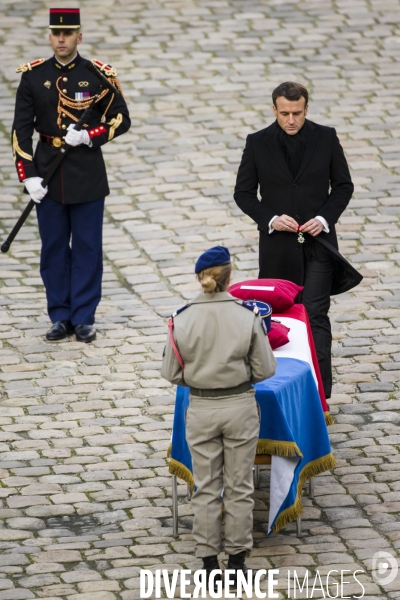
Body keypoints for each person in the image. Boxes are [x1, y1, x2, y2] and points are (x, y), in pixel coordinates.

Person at [234, 82, 361, 400]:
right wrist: (271, 219)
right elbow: (244, 194)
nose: (292, 120)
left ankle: (320, 395)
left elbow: (343, 186)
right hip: (278, 249)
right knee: (278, 317)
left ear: (307, 109)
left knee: (316, 315)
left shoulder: (326, 137)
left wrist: (322, 219)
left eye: (298, 113)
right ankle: (281, 391)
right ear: (274, 110)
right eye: (285, 113)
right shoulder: (258, 143)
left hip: (319, 246)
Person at [12, 7, 130, 343]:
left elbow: (121, 119)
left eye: (68, 33)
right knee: (52, 248)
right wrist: (28, 176)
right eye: (56, 33)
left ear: (79, 36)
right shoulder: (33, 77)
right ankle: (59, 315)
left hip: (87, 174)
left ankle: (83, 317)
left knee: (87, 249)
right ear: (50, 36)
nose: (61, 39)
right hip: (48, 172)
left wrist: (90, 136)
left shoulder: (97, 75)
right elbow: (20, 131)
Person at [161, 246, 276, 590]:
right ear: (230, 277)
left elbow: (171, 372)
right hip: (239, 405)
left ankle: (209, 563)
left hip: (201, 408)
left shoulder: (181, 318)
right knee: (240, 487)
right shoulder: (246, 316)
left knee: (206, 486)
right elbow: (265, 368)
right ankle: (238, 564)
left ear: (201, 279)